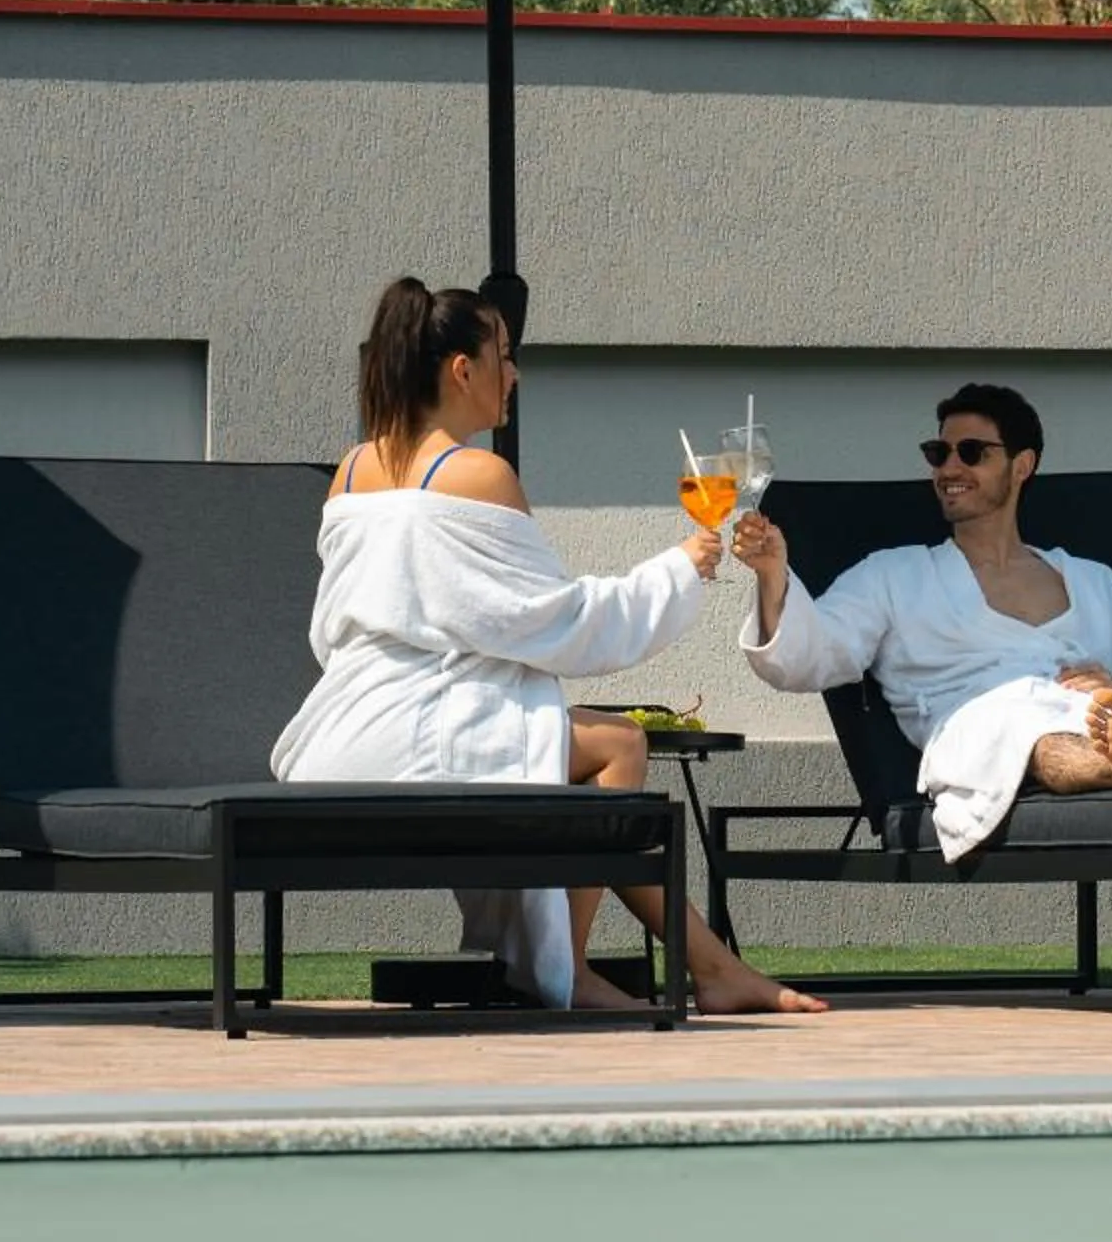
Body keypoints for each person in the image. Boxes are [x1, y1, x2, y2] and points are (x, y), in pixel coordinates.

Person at [273, 276, 824, 1015]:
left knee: (575, 746)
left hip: (336, 737)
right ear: (462, 369)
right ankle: (571, 972)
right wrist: (678, 571)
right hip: (419, 741)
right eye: (504, 356)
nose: (515, 374)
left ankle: (713, 967)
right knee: (620, 746)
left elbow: (362, 623)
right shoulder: (479, 475)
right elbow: (558, 623)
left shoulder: (352, 470)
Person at [732, 381, 1112, 861]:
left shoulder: (1092, 580)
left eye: (972, 452)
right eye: (939, 453)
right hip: (977, 723)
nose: (949, 467)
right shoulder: (895, 575)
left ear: (1022, 465)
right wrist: (774, 576)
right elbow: (809, 658)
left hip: (1098, 714)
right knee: (1034, 736)